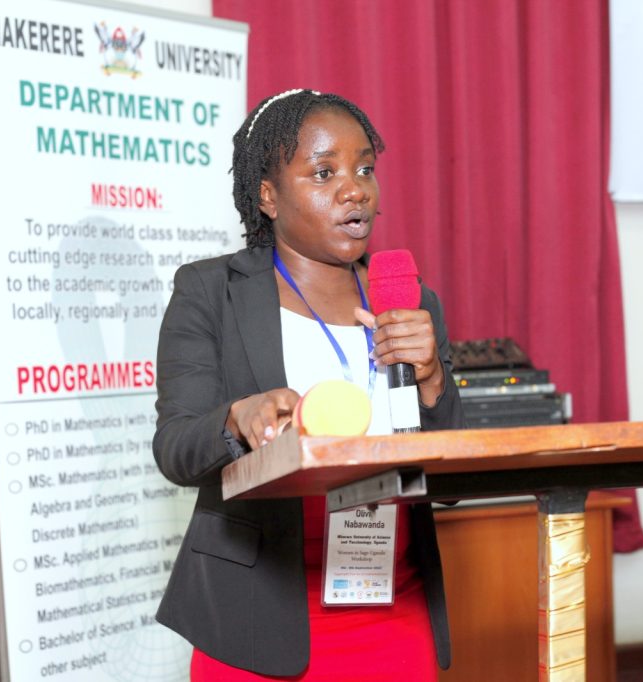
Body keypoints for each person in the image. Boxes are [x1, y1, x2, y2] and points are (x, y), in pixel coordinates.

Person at [152, 89, 463, 680]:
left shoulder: (411, 302)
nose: (355, 190)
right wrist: (236, 419)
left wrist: (431, 378)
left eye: (365, 169)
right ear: (268, 196)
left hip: (395, 611)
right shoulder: (210, 293)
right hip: (256, 618)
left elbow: (445, 482)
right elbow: (175, 448)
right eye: (324, 172)